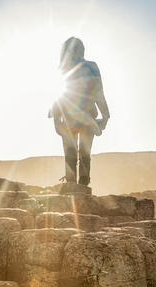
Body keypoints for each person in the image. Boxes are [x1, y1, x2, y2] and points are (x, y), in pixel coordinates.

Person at [49, 37, 110, 186]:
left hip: (70, 118)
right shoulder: (90, 66)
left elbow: (59, 95)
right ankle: (82, 185)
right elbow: (98, 92)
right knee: (83, 153)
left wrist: (56, 120)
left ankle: (73, 185)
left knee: (72, 154)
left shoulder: (63, 68)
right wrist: (105, 115)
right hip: (86, 117)